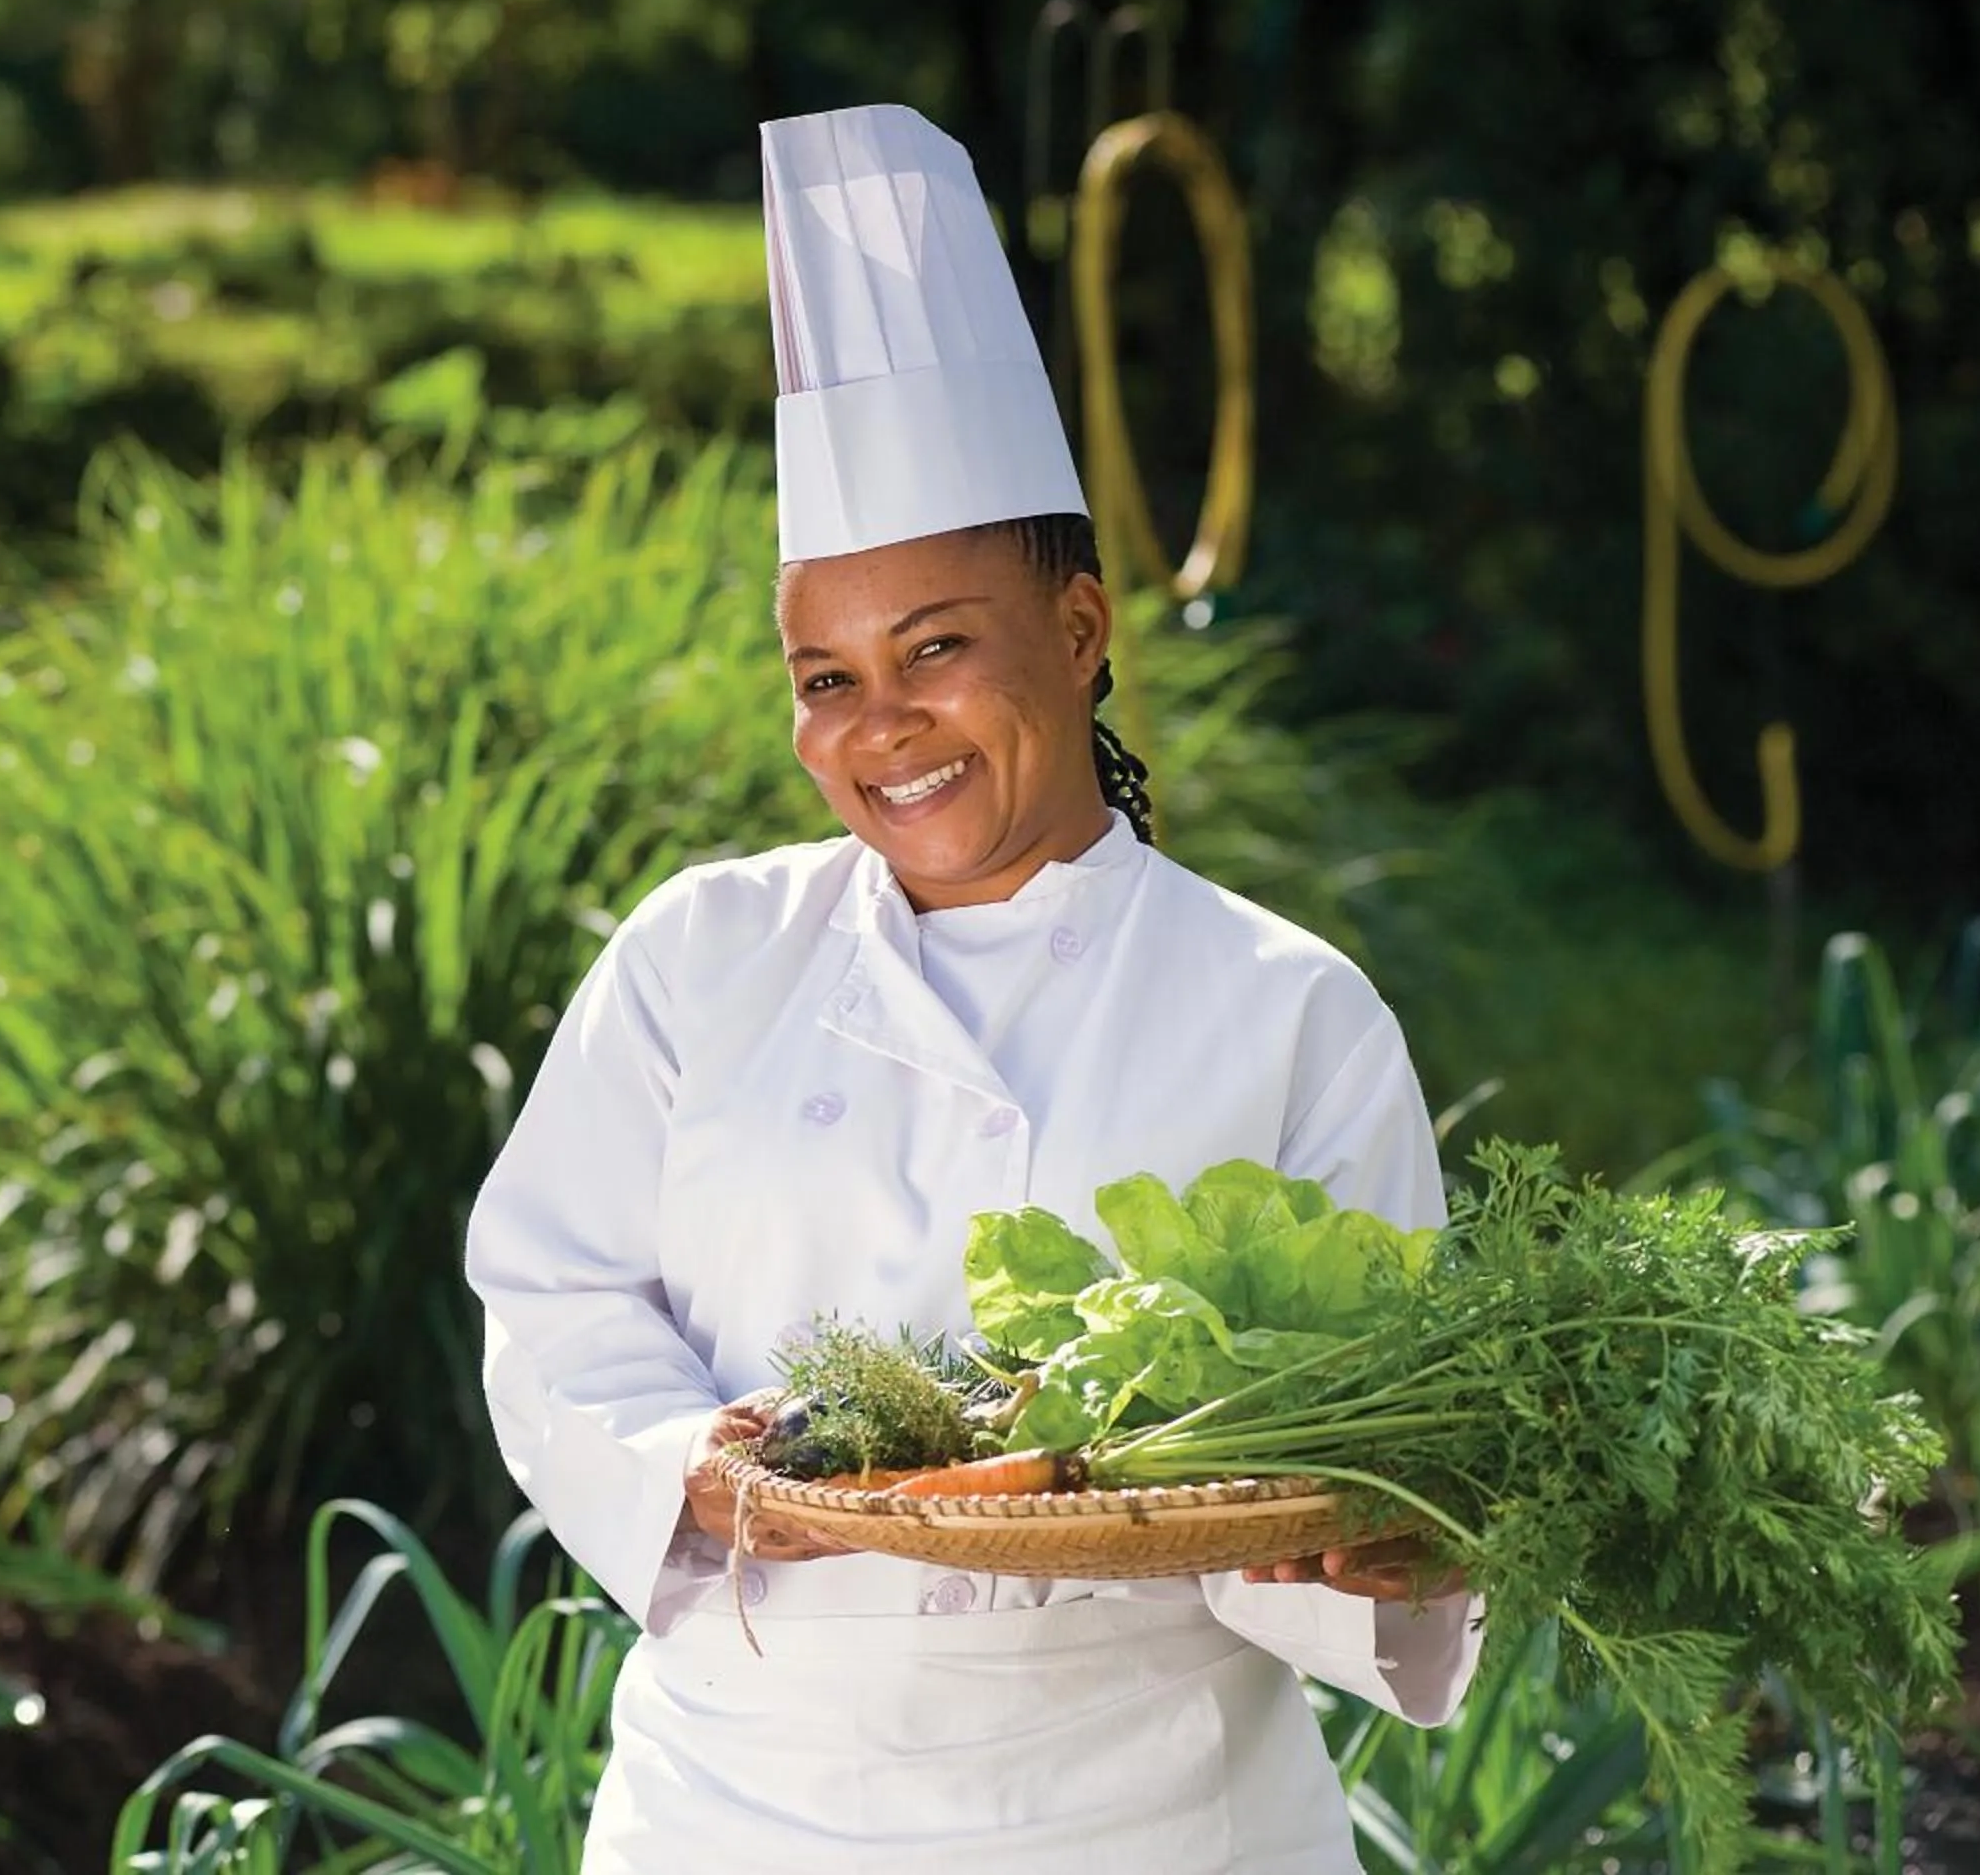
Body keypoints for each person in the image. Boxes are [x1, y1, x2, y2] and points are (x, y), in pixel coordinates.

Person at [463, 103, 1482, 1873]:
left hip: (1157, 1822)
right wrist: (680, 1462)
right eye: (826, 674)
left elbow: (1372, 1473)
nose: (880, 727)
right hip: (740, 1814)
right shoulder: (702, 957)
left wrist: (1385, 1545)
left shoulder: (1290, 1009)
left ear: (1080, 632)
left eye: (937, 647)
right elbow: (546, 1287)